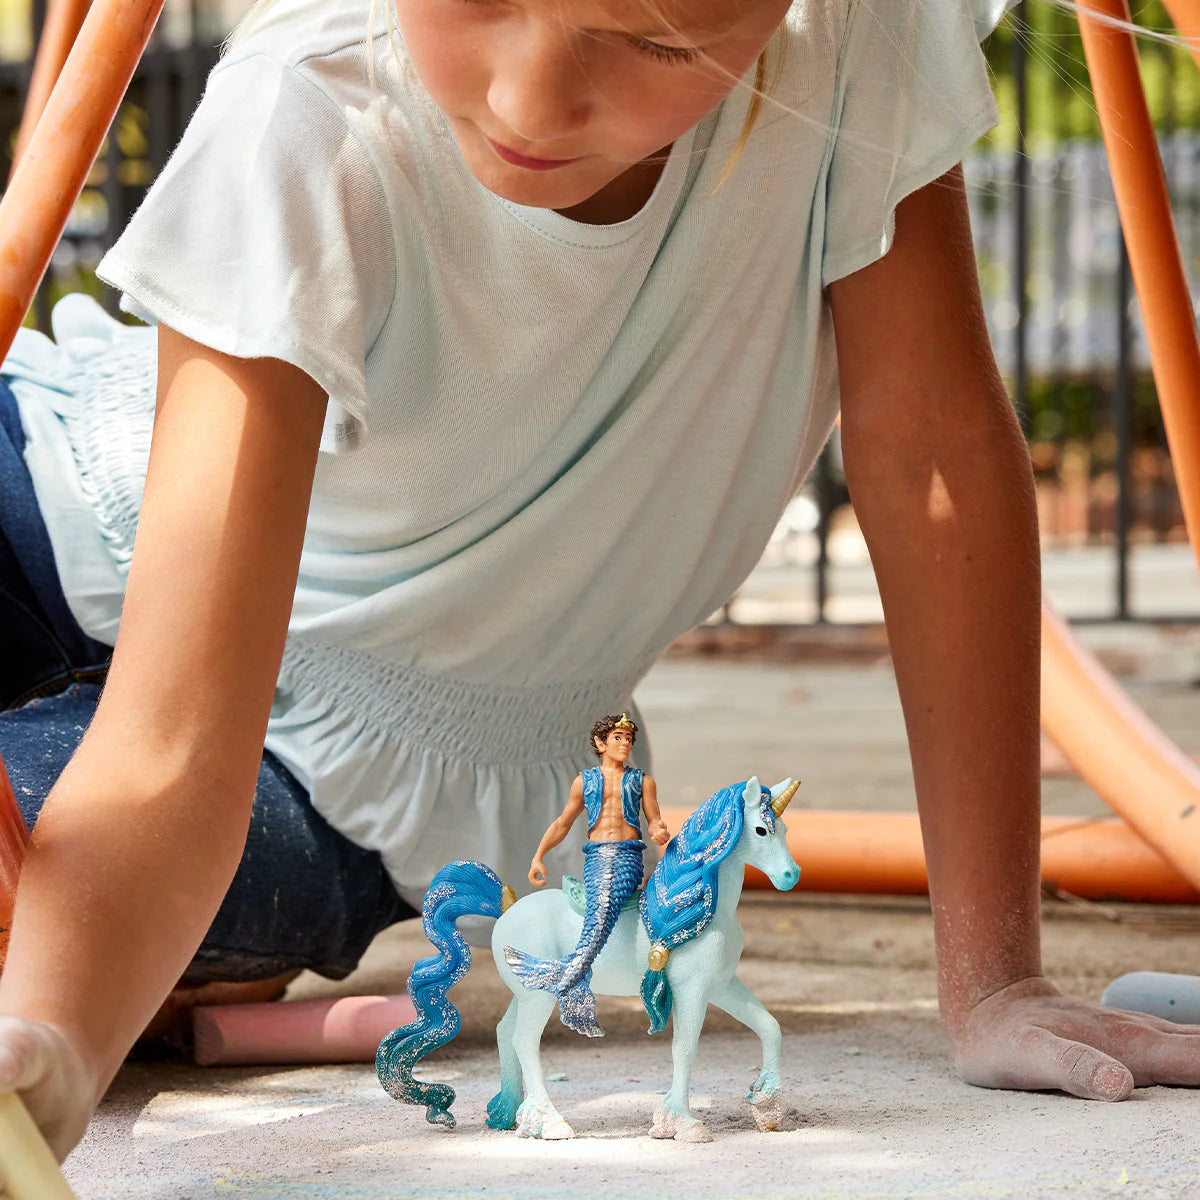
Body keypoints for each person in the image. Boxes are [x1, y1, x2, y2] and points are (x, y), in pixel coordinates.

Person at [1, 0, 1198, 1163]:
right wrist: (53, 1039)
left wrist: (995, 979)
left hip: (356, 763)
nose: (530, 101)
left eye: (653, 43)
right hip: (61, 504)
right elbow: (171, 740)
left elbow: (931, 449)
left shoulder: (855, 36)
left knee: (62, 912)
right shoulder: (304, 106)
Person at [507, 713, 671, 1036]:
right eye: (617, 738)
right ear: (600, 743)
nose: (624, 744)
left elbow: (653, 819)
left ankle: (558, 977)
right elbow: (563, 822)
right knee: (599, 912)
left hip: (627, 856)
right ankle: (571, 981)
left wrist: (659, 830)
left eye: (628, 739)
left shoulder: (643, 782)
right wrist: (539, 856)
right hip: (596, 857)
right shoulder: (584, 781)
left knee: (604, 907)